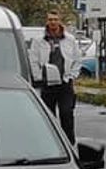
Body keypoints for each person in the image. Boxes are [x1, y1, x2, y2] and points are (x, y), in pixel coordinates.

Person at [27, 11, 83, 143]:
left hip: (65, 83)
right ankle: (49, 142)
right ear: (47, 21)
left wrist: (72, 75)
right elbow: (33, 60)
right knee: (48, 116)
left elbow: (77, 59)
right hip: (48, 83)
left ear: (60, 21)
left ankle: (69, 143)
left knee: (66, 113)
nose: (53, 22)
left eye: (55, 19)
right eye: (50, 19)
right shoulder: (39, 40)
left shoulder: (69, 40)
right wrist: (39, 77)